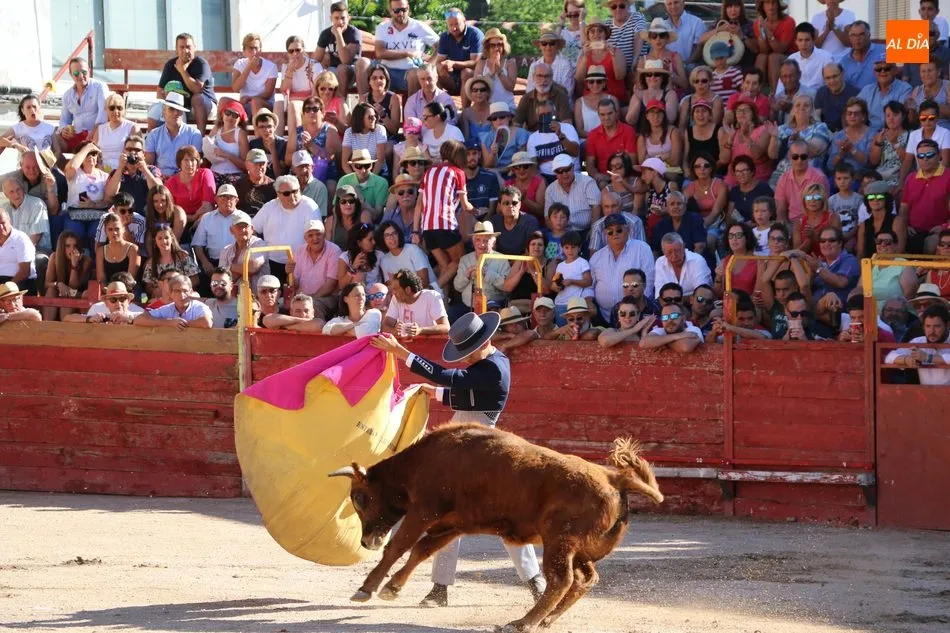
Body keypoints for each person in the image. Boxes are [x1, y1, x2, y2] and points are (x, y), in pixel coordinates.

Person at [370, 312, 547, 608]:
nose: (465, 358)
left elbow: (450, 378)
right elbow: (470, 396)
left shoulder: (494, 369)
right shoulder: (493, 363)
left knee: (504, 516)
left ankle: (534, 580)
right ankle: (440, 589)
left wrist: (401, 352)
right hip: (461, 446)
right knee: (447, 515)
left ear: (485, 342)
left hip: (483, 450)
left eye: (469, 352)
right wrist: (438, 394)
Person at [253, 175, 322, 285]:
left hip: (301, 263)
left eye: (295, 191)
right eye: (286, 193)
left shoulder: (310, 206)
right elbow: (253, 229)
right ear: (278, 194)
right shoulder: (269, 207)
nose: (292, 196)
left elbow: (317, 235)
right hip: (272, 262)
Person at [154, 33, 216, 134]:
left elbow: (197, 90)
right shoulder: (170, 65)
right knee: (161, 109)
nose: (185, 50)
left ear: (194, 48)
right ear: (176, 50)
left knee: (197, 98)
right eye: (182, 47)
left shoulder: (201, 64)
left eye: (188, 47)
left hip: (205, 105)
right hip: (181, 106)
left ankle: (200, 137)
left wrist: (182, 71)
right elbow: (159, 91)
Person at [374, 0, 439, 94]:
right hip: (387, 72)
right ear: (391, 10)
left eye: (403, 10)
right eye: (396, 10)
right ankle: (365, 101)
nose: (400, 13)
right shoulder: (383, 27)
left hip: (411, 72)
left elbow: (440, 44)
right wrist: (407, 54)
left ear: (408, 8)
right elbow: (380, 53)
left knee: (414, 74)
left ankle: (412, 104)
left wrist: (429, 65)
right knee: (366, 66)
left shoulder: (419, 26)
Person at [316, 2, 371, 99]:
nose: (340, 22)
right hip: (333, 70)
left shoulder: (354, 33)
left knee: (342, 68)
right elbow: (316, 58)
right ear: (331, 19)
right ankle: (321, 105)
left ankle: (342, 103)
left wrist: (338, 35)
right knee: (322, 76)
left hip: (353, 71)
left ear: (348, 18)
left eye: (343, 18)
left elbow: (346, 60)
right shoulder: (326, 33)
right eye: (336, 18)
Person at [885, 304, 950, 384]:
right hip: (925, 391)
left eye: (937, 326)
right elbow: (890, 357)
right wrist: (907, 359)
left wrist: (927, 357)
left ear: (947, 325)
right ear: (923, 327)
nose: (932, 331)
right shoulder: (918, 341)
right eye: (928, 326)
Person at [56, 57, 107, 155]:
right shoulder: (67, 95)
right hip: (77, 136)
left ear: (89, 71)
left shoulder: (99, 87)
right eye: (76, 73)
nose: (80, 76)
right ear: (71, 75)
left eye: (84, 72)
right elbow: (64, 120)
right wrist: (63, 129)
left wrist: (93, 133)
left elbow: (103, 115)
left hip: (96, 135)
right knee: (53, 137)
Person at [144, 92, 203, 177]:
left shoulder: (194, 134)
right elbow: (149, 164)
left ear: (182, 113)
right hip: (159, 178)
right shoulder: (153, 134)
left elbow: (196, 164)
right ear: (164, 112)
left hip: (185, 178)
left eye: (179, 110)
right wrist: (158, 177)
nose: (176, 113)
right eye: (171, 109)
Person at [383, 268, 449, 337]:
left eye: (396, 289)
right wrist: (394, 330)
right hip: (404, 343)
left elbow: (445, 327)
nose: (393, 293)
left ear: (408, 289)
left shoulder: (432, 296)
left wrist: (420, 330)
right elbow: (385, 327)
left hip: (429, 342)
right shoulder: (396, 298)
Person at [135, 273, 212, 329]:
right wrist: (170, 323)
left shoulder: (199, 306)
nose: (182, 295)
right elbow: (139, 319)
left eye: (185, 291)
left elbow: (207, 323)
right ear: (171, 294)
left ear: (191, 291)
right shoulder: (167, 309)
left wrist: (180, 323)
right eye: (177, 291)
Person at [232, 33, 278, 120]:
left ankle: (257, 128)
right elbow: (235, 88)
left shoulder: (271, 67)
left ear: (260, 50)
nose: (254, 52)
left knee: (255, 102)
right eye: (250, 48)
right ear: (244, 51)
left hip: (264, 104)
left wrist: (249, 98)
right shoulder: (239, 64)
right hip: (244, 103)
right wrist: (249, 67)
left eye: (256, 48)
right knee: (223, 101)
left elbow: (268, 94)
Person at [205, 98, 250, 187]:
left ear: (239, 119)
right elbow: (207, 146)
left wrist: (226, 155)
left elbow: (246, 165)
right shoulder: (216, 129)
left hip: (234, 175)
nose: (230, 117)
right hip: (214, 173)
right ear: (222, 114)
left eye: (235, 115)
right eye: (227, 113)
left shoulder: (240, 134)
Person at [90, 93, 138, 171]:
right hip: (101, 171)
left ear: (124, 110)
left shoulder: (132, 127)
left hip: (124, 171)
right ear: (106, 110)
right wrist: (99, 168)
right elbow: (94, 152)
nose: (116, 111)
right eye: (112, 108)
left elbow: (135, 154)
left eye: (119, 108)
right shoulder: (100, 129)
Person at [526, 29, 574, 100]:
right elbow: (529, 90)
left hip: (560, 103)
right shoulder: (534, 66)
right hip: (538, 103)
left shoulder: (565, 65)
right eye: (544, 43)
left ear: (557, 46)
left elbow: (568, 92)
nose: (548, 46)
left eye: (552, 43)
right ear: (540, 46)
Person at [365, 64, 403, 139]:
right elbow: (360, 127)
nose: (378, 81)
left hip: (388, 139)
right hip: (369, 138)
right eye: (374, 78)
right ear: (369, 81)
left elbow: (395, 130)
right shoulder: (364, 98)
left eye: (381, 78)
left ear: (386, 81)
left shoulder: (393, 98)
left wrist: (383, 115)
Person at [249, 108, 287, 179]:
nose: (266, 130)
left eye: (269, 126)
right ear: (257, 129)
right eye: (262, 127)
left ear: (274, 127)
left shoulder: (283, 144)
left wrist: (273, 151)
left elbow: (279, 174)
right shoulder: (254, 144)